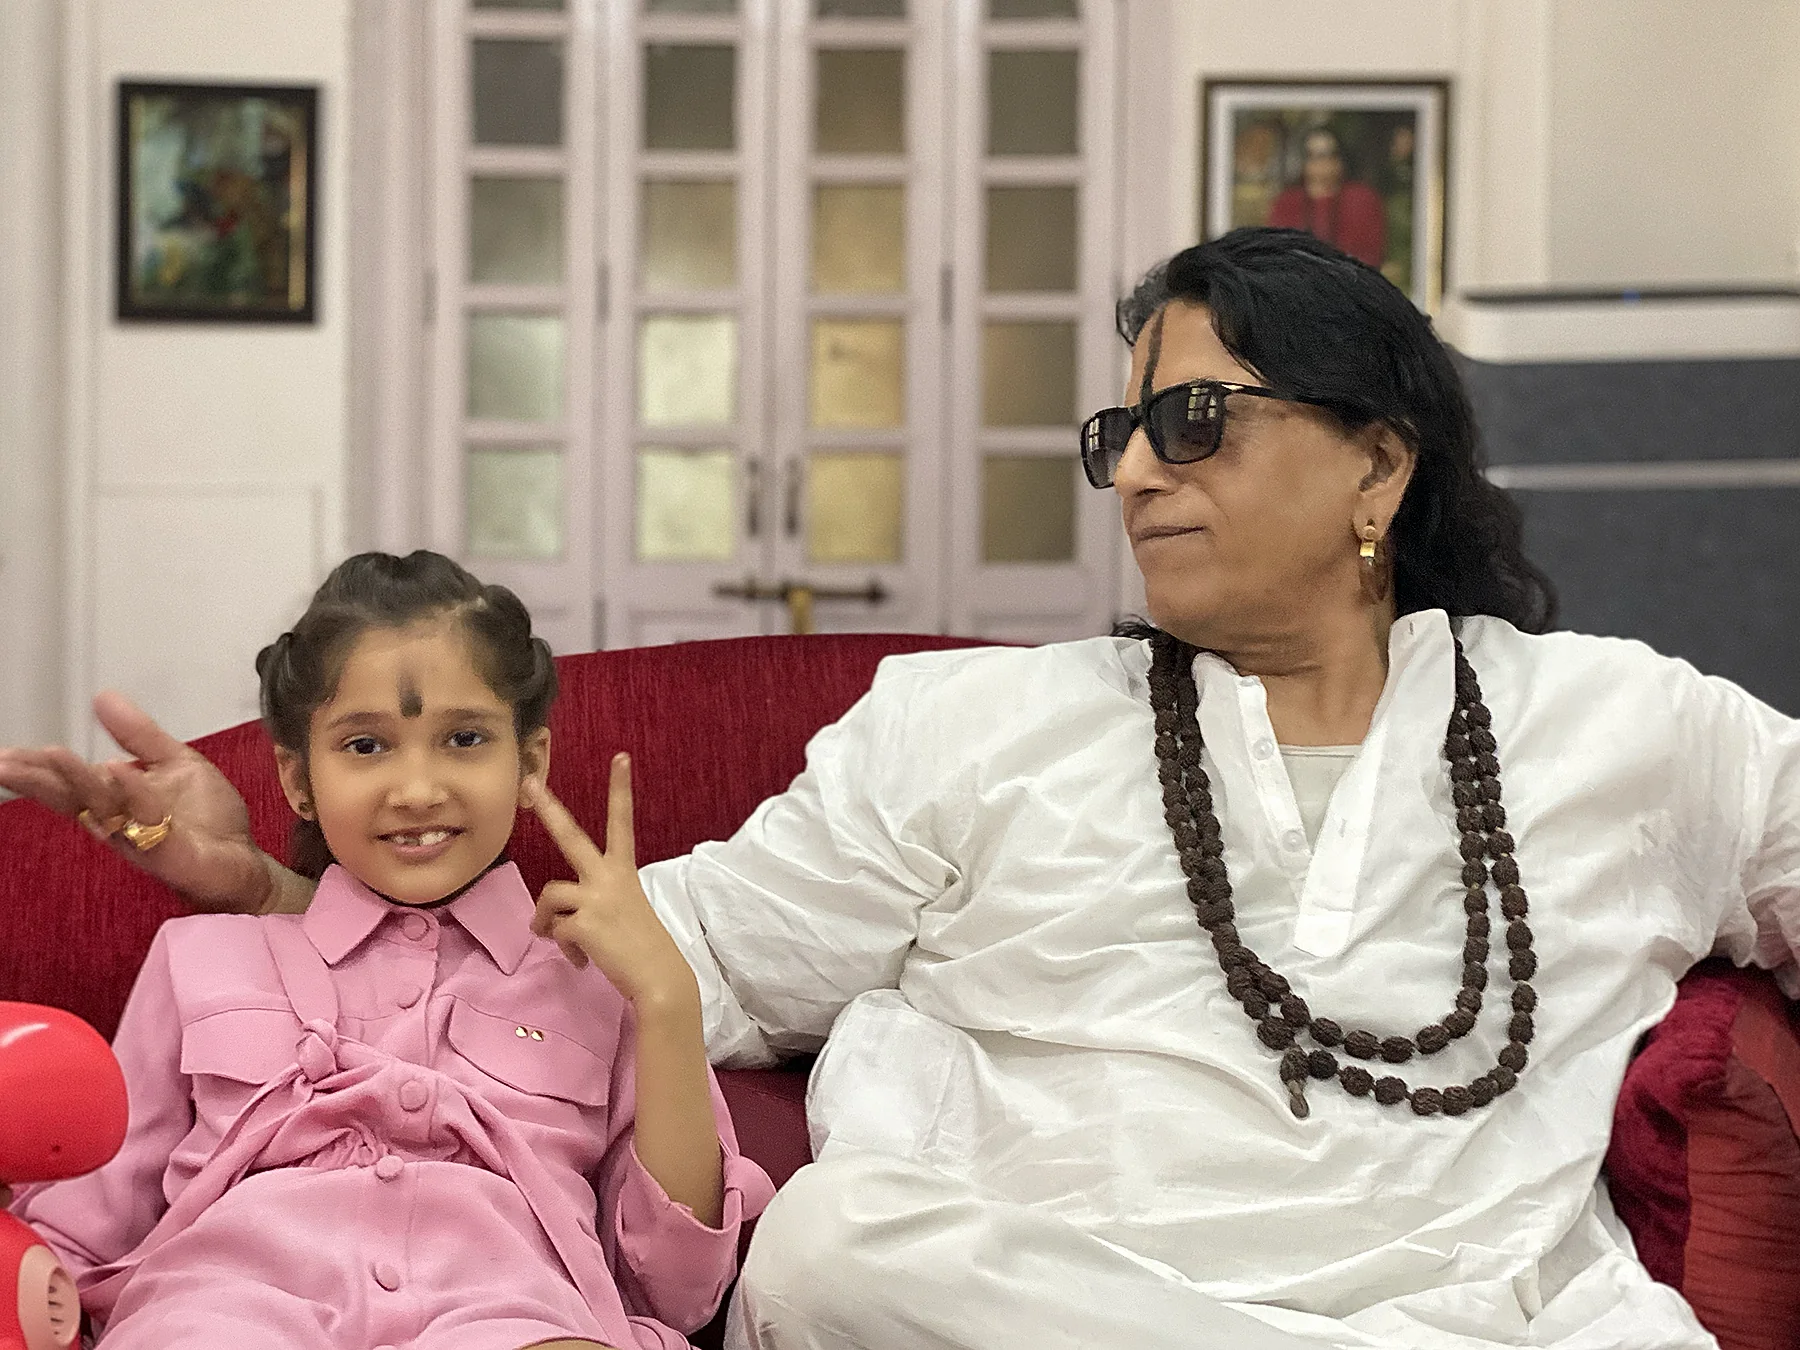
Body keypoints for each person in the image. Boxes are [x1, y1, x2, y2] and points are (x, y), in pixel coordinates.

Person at [4, 227, 1798, 1350]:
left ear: (1377, 467)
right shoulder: (972, 725)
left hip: (1477, 1314)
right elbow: (644, 956)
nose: (1137, 475)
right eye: (1121, 435)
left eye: (1195, 422)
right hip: (1055, 1307)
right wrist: (274, 893)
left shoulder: (1629, 730)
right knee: (836, 1246)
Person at [5, 551, 772, 1350]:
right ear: (298, 780)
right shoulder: (200, 955)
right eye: (366, 746)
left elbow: (677, 1291)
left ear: (529, 762)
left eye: (464, 738)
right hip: (226, 1307)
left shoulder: (599, 983)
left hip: (510, 1314)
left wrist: (668, 1000)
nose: (416, 790)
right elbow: (72, 1238)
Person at [1267, 126, 1386, 268]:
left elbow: (1372, 255)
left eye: (1329, 154)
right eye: (1313, 155)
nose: (1323, 162)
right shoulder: (1287, 202)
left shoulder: (1363, 199)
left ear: (1341, 159)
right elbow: (1278, 254)